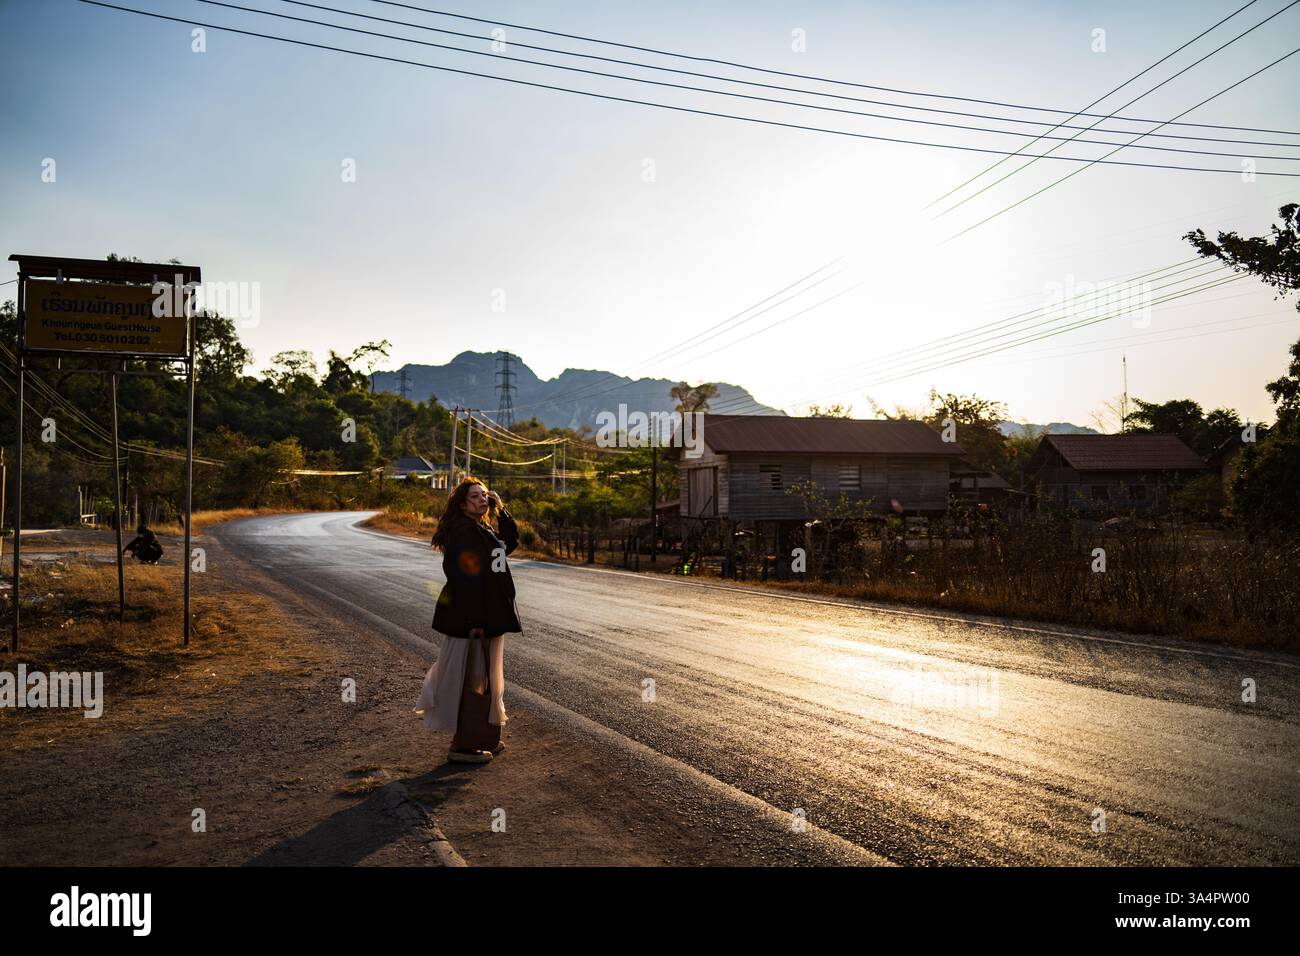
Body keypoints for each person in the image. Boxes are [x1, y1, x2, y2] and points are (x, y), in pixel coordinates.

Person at [414, 477, 521, 764]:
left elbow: (507, 545)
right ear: (462, 504)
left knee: (482, 679)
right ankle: (463, 745)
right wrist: (476, 619)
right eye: (475, 496)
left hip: (489, 615)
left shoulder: (480, 528)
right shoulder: (463, 532)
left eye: (485, 495)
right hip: (474, 617)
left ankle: (482, 736)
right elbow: (463, 578)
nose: (483, 499)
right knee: (471, 679)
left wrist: (501, 510)